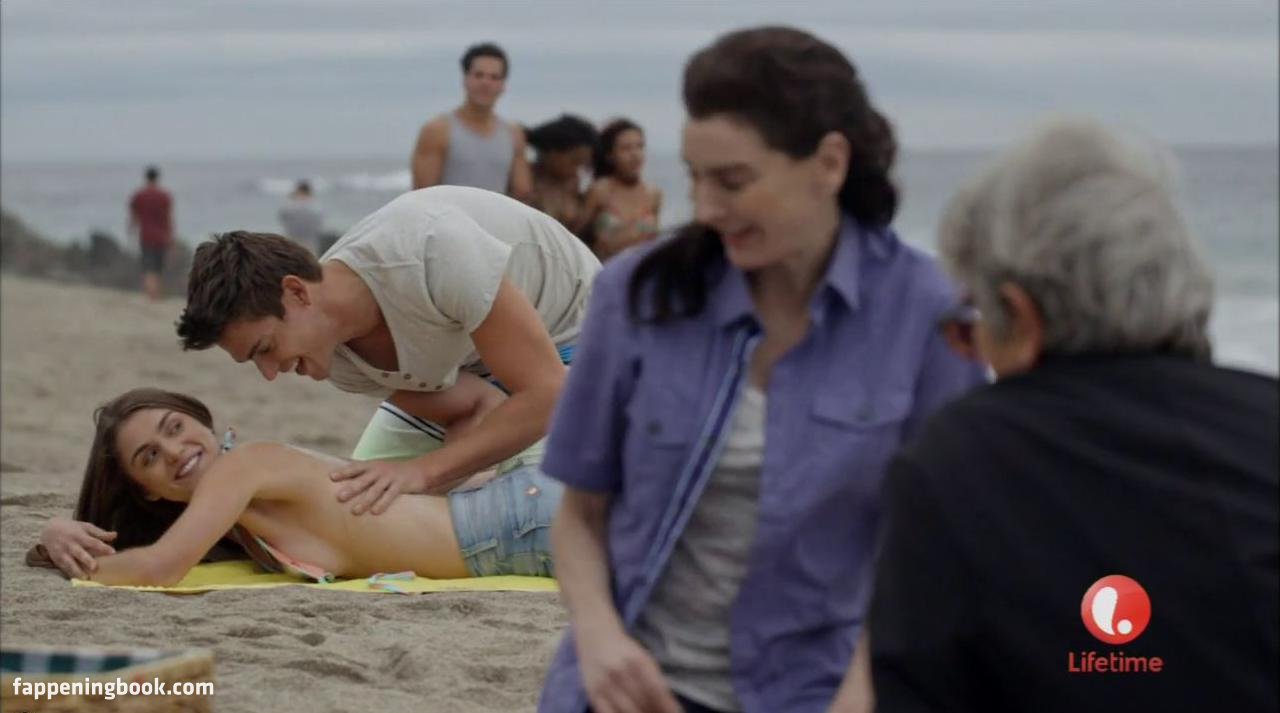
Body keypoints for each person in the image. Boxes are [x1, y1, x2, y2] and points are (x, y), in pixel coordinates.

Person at [537, 27, 986, 713]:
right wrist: (598, 639)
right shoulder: (636, 295)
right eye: (695, 178)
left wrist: (860, 695)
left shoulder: (929, 314)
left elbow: (936, 550)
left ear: (829, 163)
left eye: (733, 181)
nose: (705, 208)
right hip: (626, 690)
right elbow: (579, 514)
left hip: (822, 692)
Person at [859, 119, 1279, 712]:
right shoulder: (1264, 419)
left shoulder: (960, 461)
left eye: (972, 320)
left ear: (1020, 315)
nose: (971, 348)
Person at [175, 185, 600, 516]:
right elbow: (472, 405)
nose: (270, 373)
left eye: (265, 348)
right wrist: (434, 488)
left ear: (296, 292)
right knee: (355, 506)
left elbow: (547, 394)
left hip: (576, 342)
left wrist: (424, 473)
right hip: (477, 364)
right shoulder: (336, 359)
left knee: (536, 514)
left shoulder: (432, 250)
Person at [29, 387, 561, 585]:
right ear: (145, 490)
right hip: (515, 524)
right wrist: (56, 535)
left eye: (175, 427)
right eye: (149, 456)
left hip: (523, 520)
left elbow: (158, 568)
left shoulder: (246, 466)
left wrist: (72, 560)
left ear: (203, 423)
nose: (174, 450)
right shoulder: (233, 519)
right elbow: (147, 553)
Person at [410, 42, 532, 200]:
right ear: (465, 78)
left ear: (503, 85)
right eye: (479, 75)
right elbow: (422, 197)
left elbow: (522, 193)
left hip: (495, 216)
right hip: (449, 215)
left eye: (494, 77)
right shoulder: (437, 130)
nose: (485, 83)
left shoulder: (513, 134)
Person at [580, 119, 663, 261]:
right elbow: (577, 237)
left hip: (643, 271)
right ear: (610, 155)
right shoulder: (599, 191)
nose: (635, 154)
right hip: (606, 269)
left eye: (640, 146)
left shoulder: (654, 194)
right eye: (626, 148)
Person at [526, 114, 599, 233]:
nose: (577, 169)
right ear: (551, 152)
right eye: (575, 161)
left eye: (583, 163)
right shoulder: (525, 179)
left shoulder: (576, 184)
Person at [128, 165, 174, 301]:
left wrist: (131, 230)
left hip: (146, 235)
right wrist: (171, 236)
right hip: (161, 236)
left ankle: (151, 294)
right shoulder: (164, 196)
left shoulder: (139, 195)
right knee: (159, 267)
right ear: (157, 177)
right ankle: (156, 293)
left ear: (146, 177)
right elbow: (169, 217)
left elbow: (133, 216)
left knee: (149, 267)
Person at [278, 180, 324, 254]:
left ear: (298, 191)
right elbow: (319, 224)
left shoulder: (290, 205)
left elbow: (283, 217)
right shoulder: (316, 206)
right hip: (309, 240)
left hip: (292, 239)